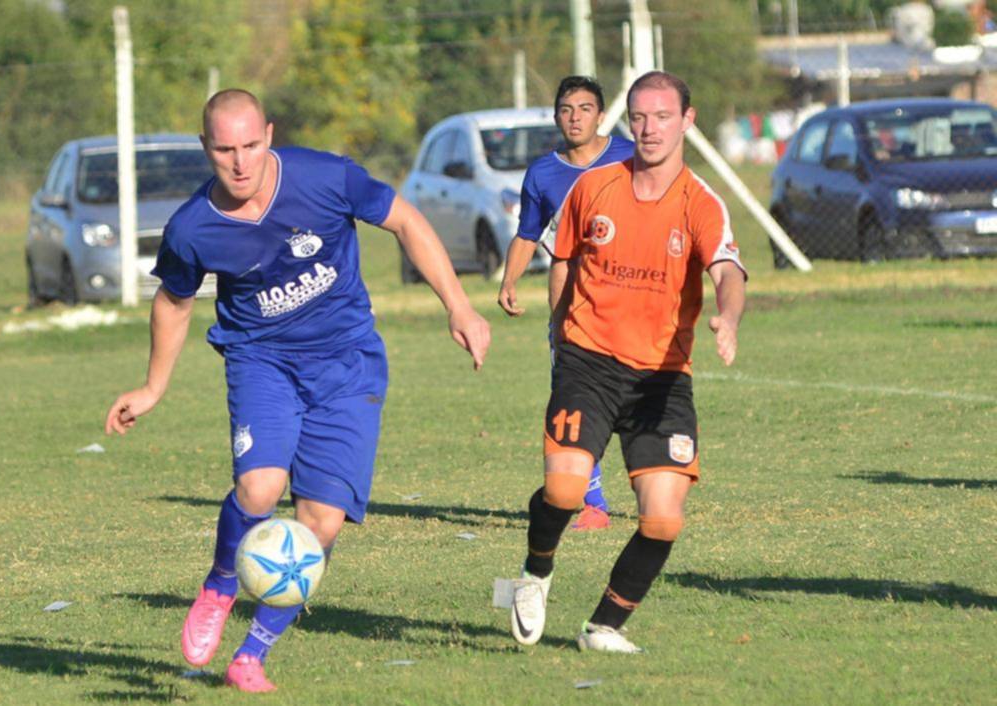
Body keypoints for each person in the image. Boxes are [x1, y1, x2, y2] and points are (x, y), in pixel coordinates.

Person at [104, 89, 490, 691]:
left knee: (321, 524)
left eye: (250, 145)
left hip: (348, 366)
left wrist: (459, 306)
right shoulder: (192, 227)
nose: (240, 162)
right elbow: (174, 302)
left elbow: (406, 221)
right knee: (259, 488)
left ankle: (252, 655)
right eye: (225, 150)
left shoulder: (325, 177)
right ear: (205, 147)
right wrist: (154, 387)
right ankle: (219, 586)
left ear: (269, 134)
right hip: (263, 363)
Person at [509, 71, 746, 652]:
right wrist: (560, 334)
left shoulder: (700, 202)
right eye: (639, 117)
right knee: (565, 492)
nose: (649, 129)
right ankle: (536, 572)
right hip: (588, 362)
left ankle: (604, 626)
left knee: (663, 519)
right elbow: (563, 259)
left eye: (662, 117)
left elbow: (727, 271)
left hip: (662, 378)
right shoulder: (593, 187)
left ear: (687, 121)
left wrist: (728, 316)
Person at [497, 76, 634, 531]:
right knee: (574, 399)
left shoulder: (630, 157)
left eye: (584, 108)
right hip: (571, 303)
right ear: (556, 116)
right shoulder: (543, 173)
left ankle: (656, 482)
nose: (575, 118)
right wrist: (509, 280)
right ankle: (593, 503)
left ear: (601, 115)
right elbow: (528, 234)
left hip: (630, 299)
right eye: (566, 110)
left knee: (637, 396)